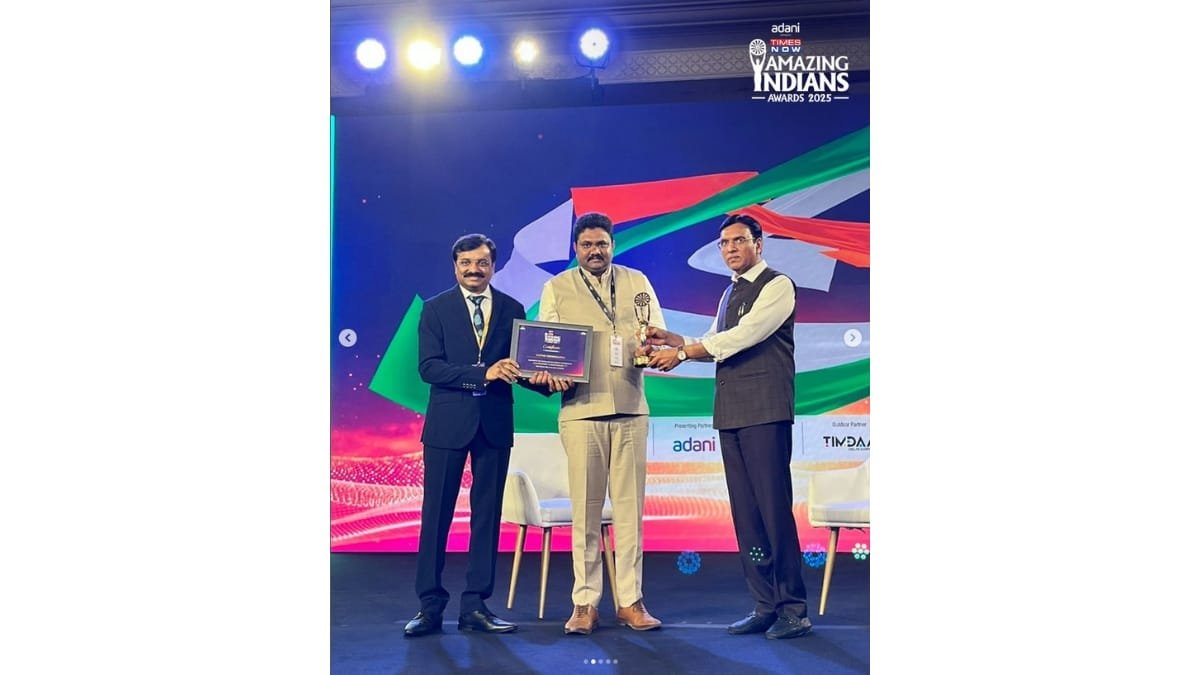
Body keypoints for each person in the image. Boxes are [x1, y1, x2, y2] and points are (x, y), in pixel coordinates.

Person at [643, 213, 813, 640]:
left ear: (759, 244)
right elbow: (715, 337)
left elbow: (743, 336)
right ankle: (764, 604)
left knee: (773, 511)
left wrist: (684, 354)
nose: (731, 248)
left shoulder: (777, 286)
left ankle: (793, 608)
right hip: (732, 412)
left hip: (765, 411)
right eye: (724, 243)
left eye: (739, 240)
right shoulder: (729, 291)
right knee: (747, 516)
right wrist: (674, 340)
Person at [404, 233, 570, 638]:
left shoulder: (513, 309)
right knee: (436, 515)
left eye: (481, 263)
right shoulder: (435, 309)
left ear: (493, 266)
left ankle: (475, 606)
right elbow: (429, 368)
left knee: (487, 517)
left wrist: (548, 381)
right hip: (446, 425)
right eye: (466, 263)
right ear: (455, 267)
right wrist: (483, 373)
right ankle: (429, 606)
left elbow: (522, 367)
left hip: (494, 424)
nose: (474, 270)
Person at [538, 212, 666, 635]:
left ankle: (631, 601)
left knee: (630, 513)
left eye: (602, 244)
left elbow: (657, 333)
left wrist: (653, 350)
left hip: (631, 406)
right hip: (581, 410)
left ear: (613, 245)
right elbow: (546, 346)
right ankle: (584, 603)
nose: (595, 251)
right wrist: (548, 371)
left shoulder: (637, 281)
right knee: (586, 513)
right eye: (587, 245)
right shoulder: (557, 287)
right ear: (576, 249)